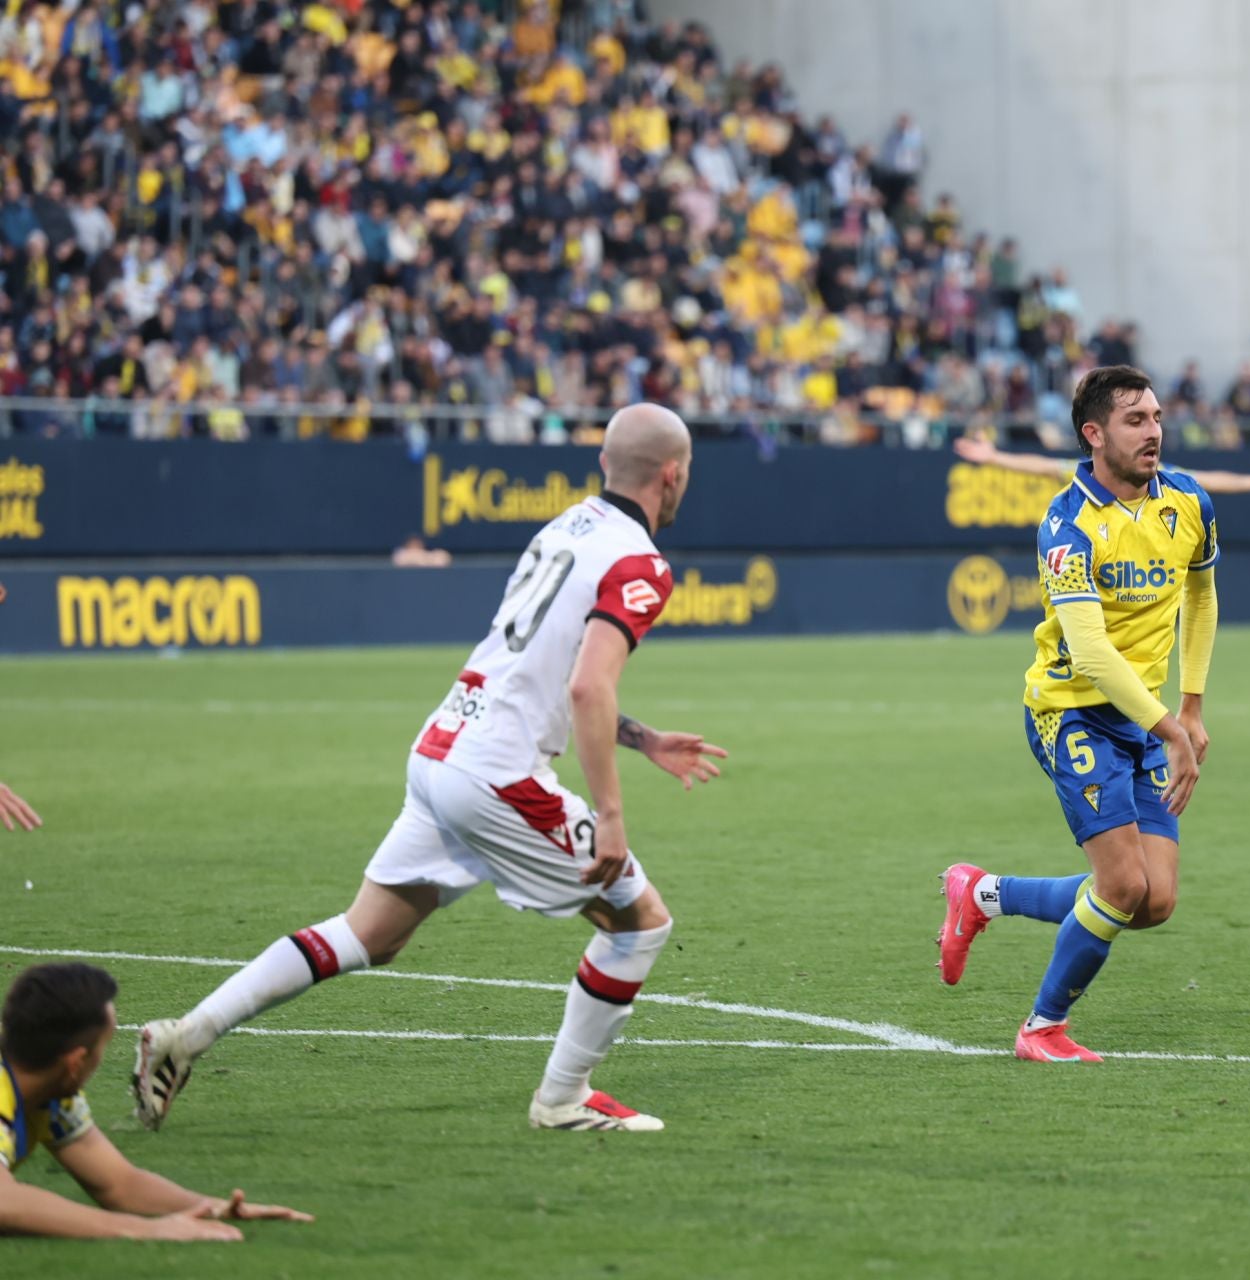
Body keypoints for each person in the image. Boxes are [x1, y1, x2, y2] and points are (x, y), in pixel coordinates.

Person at [134, 405, 729, 1134]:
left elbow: (539, 672)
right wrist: (610, 813)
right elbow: (586, 687)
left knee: (370, 934)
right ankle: (563, 1099)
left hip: (444, 746)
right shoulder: (641, 562)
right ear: (673, 475)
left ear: (605, 464)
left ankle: (185, 1035)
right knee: (639, 923)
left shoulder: (565, 529)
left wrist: (642, 738)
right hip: (497, 776)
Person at [937, 366, 1219, 1062]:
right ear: (1094, 434)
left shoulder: (1188, 500)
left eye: (1157, 417)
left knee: (1153, 901)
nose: (1154, 431)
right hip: (1072, 714)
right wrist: (1170, 728)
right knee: (1121, 885)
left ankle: (982, 894)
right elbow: (1090, 653)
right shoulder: (1067, 526)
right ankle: (1041, 1028)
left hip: (1145, 718)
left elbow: (1201, 593)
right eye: (1135, 420)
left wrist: (1190, 706)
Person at [1, 963, 312, 1240]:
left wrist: (210, 1208)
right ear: (75, 1064)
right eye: (103, 1047)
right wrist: (148, 1229)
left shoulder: (52, 1093)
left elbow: (119, 1184)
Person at [953, 434, 1250, 497]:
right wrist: (995, 457)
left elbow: (1208, 480)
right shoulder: (1094, 471)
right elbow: (1044, 466)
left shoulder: (1161, 475)